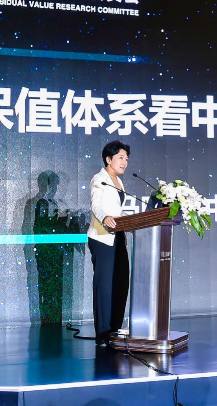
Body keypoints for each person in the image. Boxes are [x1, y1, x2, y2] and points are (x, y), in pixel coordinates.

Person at [87, 140, 131, 346]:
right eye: (120, 157)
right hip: (102, 237)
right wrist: (105, 217)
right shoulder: (99, 179)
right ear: (108, 159)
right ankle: (103, 334)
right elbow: (96, 204)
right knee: (104, 286)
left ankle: (115, 330)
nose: (124, 162)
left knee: (121, 282)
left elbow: (117, 210)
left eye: (126, 159)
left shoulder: (119, 181)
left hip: (118, 235)